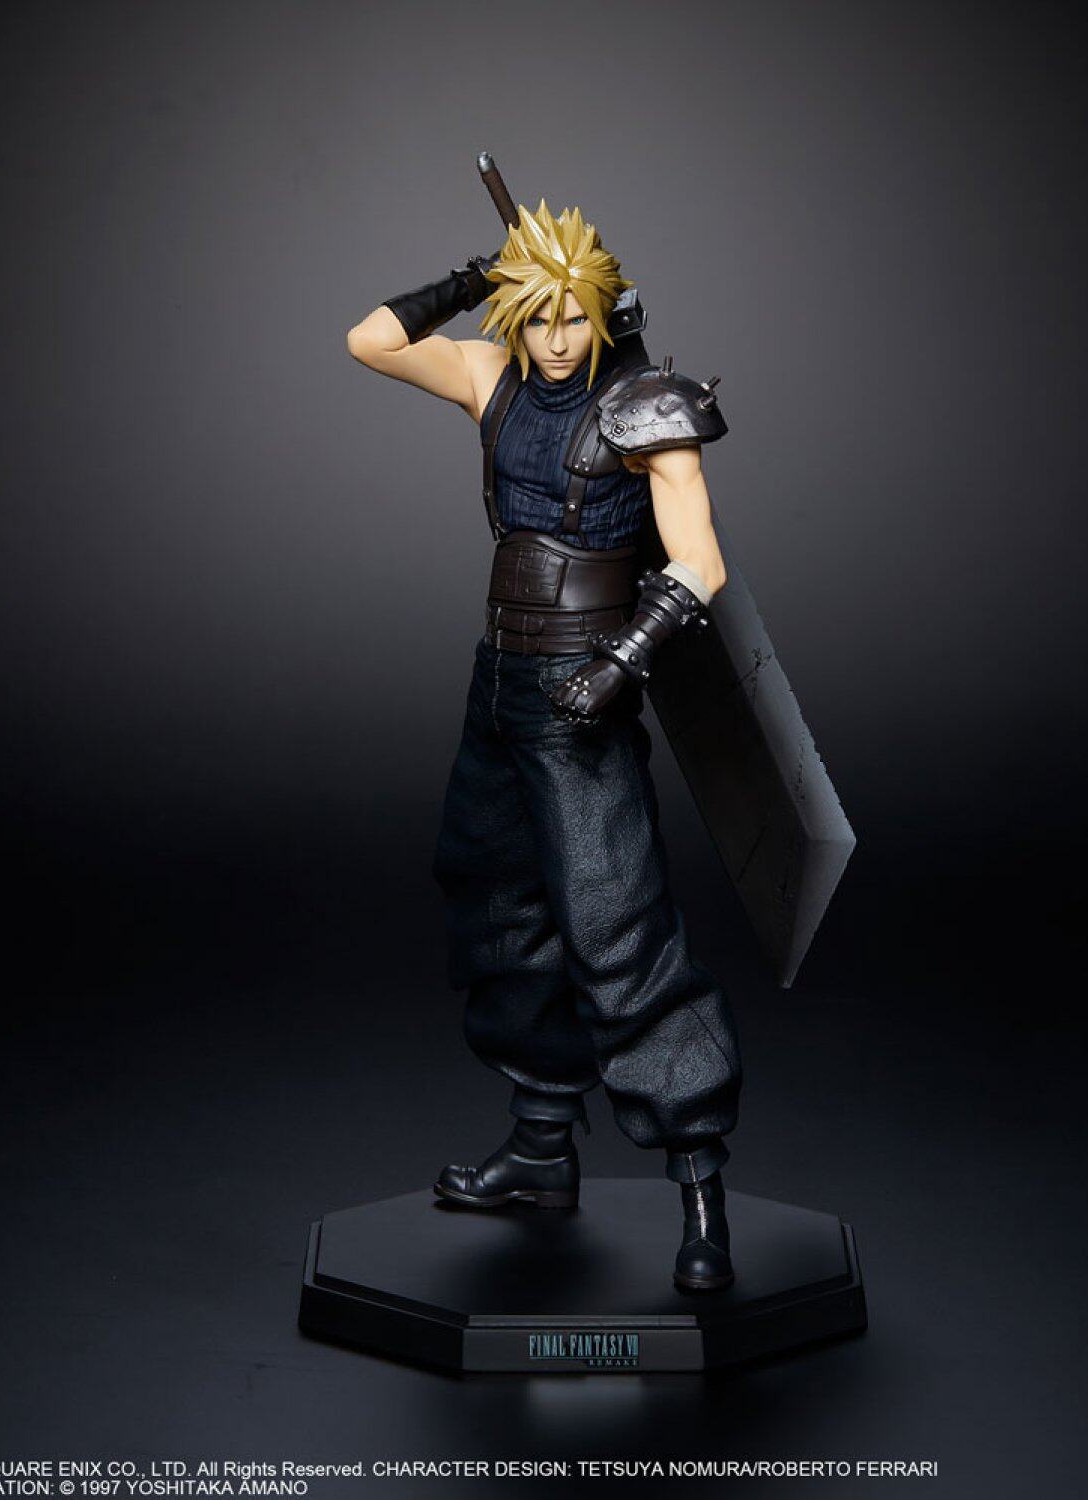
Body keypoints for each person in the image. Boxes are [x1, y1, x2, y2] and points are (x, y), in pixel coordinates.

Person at [346, 199, 743, 1291]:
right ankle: (539, 1148)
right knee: (497, 906)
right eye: (538, 316)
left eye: (575, 316)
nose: (558, 339)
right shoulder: (492, 376)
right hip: (502, 685)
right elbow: (369, 340)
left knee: (619, 933)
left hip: (585, 695)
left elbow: (700, 561)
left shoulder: (644, 407)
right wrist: (477, 275)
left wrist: (622, 664)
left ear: (606, 310)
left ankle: (700, 1187)